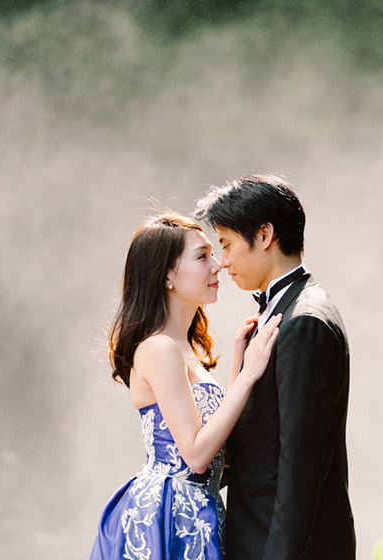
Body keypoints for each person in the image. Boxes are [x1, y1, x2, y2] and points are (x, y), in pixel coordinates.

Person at [90, 212, 281, 560]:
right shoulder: (159, 348)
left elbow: (220, 454)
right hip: (167, 517)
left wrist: (238, 364)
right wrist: (249, 374)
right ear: (167, 275)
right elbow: (195, 455)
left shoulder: (186, 350)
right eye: (202, 256)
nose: (218, 266)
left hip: (198, 511)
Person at [194, 175, 355, 559]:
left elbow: (301, 468)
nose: (224, 262)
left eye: (227, 245)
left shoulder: (305, 321)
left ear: (264, 235)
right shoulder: (282, 312)